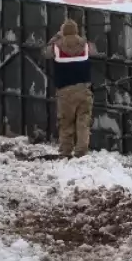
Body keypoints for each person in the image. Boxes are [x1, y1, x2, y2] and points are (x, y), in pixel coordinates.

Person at [42, 18, 97, 158]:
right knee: (83, 123)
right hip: (84, 90)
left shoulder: (56, 46)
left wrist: (57, 36)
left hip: (65, 92)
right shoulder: (85, 45)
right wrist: (79, 38)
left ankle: (66, 152)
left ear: (63, 32)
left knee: (66, 123)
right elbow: (95, 52)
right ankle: (81, 152)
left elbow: (44, 52)